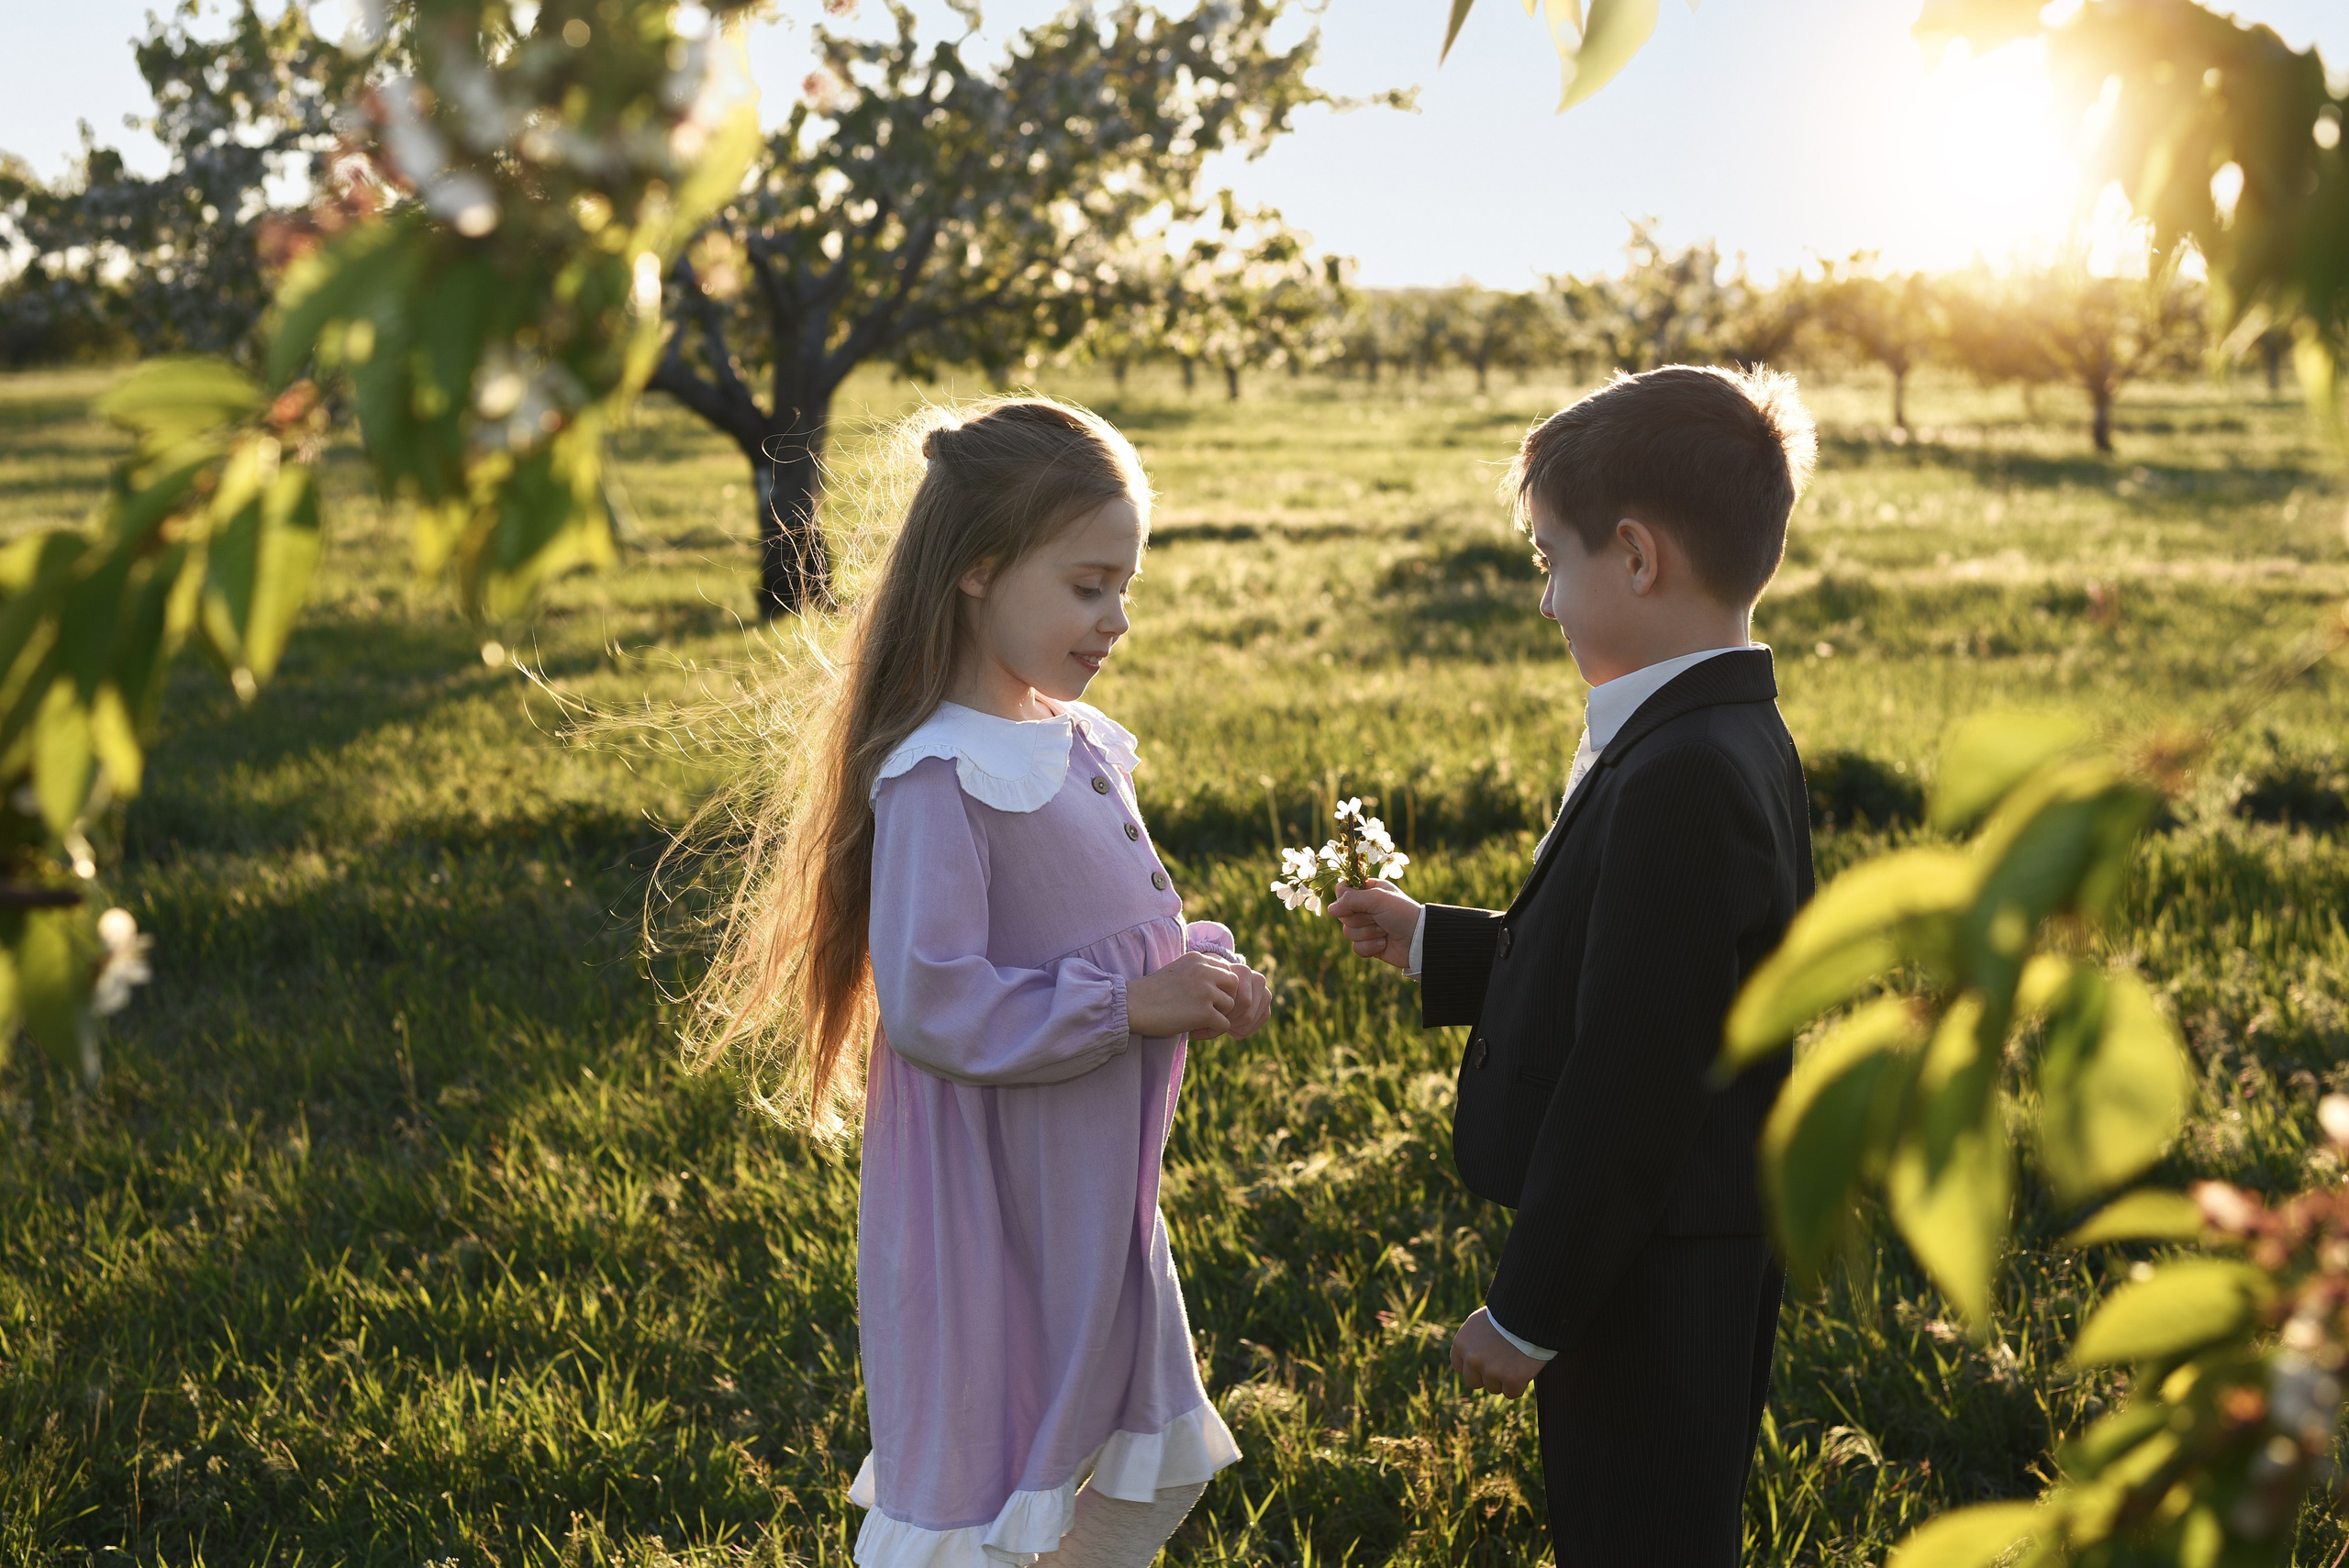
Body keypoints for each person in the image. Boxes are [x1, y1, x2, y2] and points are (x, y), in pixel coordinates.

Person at [689, 397, 1273, 1567]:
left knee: (1121, 1480)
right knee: (1009, 1492)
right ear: (979, 570)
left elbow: (1104, 934)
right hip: (998, 1210)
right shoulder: (938, 777)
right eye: (1089, 584)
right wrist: (1127, 1005)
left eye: (1126, 586)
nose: (1115, 618)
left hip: (1088, 1200)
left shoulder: (1075, 741)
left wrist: (1192, 971)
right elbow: (933, 998)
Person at [1329, 365, 1819, 1566]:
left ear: (1637, 558)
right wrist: (1440, 942)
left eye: (1552, 560)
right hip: (1667, 1243)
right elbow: (1642, 972)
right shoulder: (1712, 726)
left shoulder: (1684, 771)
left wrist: (1532, 1308)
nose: (1546, 600)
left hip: (1649, 1267)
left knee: (1639, 1535)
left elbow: (1636, 1069)